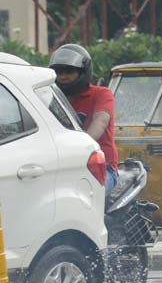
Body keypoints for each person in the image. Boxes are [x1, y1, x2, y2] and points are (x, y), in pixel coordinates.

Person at [49, 44, 118, 192]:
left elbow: (100, 121)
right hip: (63, 166)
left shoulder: (101, 94)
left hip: (101, 168)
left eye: (69, 71)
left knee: (83, 195)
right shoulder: (52, 99)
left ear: (83, 72)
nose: (62, 76)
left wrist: (80, 148)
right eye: (58, 71)